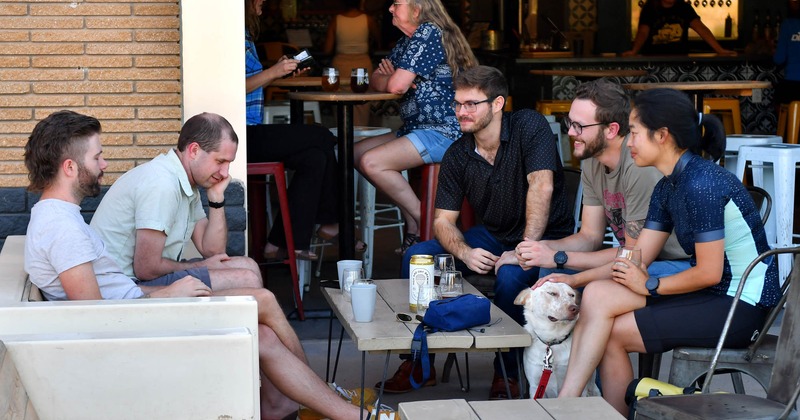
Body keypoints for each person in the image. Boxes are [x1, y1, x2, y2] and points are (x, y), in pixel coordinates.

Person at [22, 110, 371, 420]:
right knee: (260, 299)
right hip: (138, 328)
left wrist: (214, 203)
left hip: (139, 308)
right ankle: (333, 406)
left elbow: (115, 291)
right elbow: (95, 317)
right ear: (70, 167)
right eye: (97, 157)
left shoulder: (60, 218)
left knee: (263, 332)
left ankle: (318, 406)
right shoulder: (63, 228)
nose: (105, 165)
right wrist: (168, 295)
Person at [541, 88, 781, 415]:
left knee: (611, 329)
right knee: (598, 295)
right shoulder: (667, 185)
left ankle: (566, 404)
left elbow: (708, 272)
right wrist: (575, 281)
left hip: (740, 305)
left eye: (635, 133)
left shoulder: (701, 184)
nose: (628, 142)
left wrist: (650, 285)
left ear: (662, 136)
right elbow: (635, 258)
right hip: (712, 292)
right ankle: (572, 403)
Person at [382, 66, 574, 398]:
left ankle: (507, 373)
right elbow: (442, 221)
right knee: (419, 257)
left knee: (513, 276)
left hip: (547, 237)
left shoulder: (528, 126)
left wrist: (525, 248)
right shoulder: (459, 153)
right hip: (493, 235)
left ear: (498, 103)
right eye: (457, 104)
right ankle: (419, 361)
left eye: (472, 104)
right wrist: (465, 253)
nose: (461, 112)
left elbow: (541, 186)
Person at [517, 79, 689, 279]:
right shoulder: (593, 160)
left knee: (572, 270)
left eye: (579, 126)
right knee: (550, 268)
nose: (571, 132)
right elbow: (590, 236)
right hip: (637, 260)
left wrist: (559, 257)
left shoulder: (639, 166)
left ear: (612, 130)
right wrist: (543, 248)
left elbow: (634, 255)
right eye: (569, 122)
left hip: (676, 263)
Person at [354, 0, 478, 254]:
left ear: (417, 9)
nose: (389, 8)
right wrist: (390, 78)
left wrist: (393, 80)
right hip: (418, 129)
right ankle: (415, 219)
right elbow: (375, 79)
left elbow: (396, 87)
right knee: (355, 152)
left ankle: (426, 223)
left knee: (372, 162)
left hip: (444, 131)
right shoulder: (407, 42)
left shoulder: (428, 32)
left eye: (397, 3)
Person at [90, 113, 263, 290]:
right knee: (246, 279)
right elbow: (146, 268)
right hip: (124, 286)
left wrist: (216, 199)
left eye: (229, 163)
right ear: (194, 151)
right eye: (220, 161)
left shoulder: (186, 181)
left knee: (250, 266)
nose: (225, 173)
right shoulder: (162, 184)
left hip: (140, 277)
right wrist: (199, 266)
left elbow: (213, 252)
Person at [245, 0, 354, 261]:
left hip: (252, 130)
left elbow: (252, 81)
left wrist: (279, 73)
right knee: (322, 136)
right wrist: (273, 72)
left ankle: (279, 243)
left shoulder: (245, 36)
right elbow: (230, 87)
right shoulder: (227, 36)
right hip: (237, 135)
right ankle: (331, 222)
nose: (262, 1)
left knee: (314, 157)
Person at [323, 0, 381, 126]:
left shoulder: (336, 20)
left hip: (341, 65)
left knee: (340, 100)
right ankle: (361, 137)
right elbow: (379, 41)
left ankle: (342, 134)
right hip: (363, 66)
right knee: (362, 102)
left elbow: (327, 49)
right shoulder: (368, 19)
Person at [622, 0, 735, 56]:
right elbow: (643, 32)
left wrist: (719, 50)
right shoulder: (650, 8)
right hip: (654, 59)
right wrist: (634, 51)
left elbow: (701, 29)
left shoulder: (684, 8)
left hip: (679, 58)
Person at [773, 0, 800, 106]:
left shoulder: (787, 24)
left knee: (780, 100)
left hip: (792, 86)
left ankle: (788, 122)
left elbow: (779, 59)